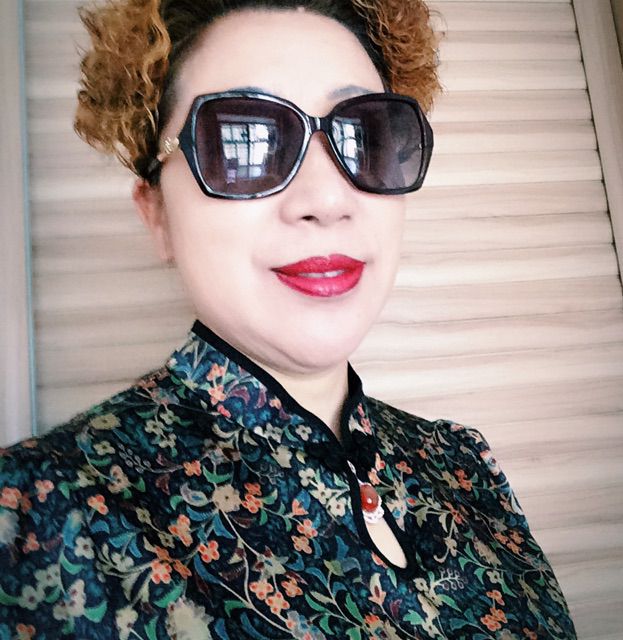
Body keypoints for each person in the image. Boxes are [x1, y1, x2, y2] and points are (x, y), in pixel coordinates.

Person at [0, 0, 577, 637]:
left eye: (364, 134)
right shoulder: (36, 512)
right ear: (156, 213)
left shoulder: (464, 466)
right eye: (243, 141)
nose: (326, 199)